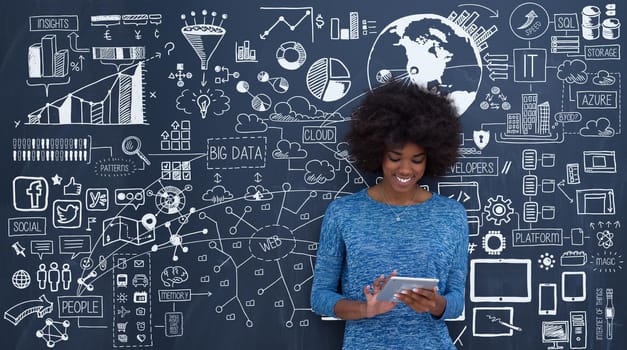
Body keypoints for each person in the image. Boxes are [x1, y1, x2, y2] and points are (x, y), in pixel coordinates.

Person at [311, 80, 468, 349]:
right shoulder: (343, 213)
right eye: (395, 158)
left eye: (416, 159)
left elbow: (456, 301)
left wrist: (436, 304)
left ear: (431, 157)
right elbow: (320, 297)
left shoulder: (452, 215)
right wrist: (366, 309)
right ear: (378, 154)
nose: (406, 169)